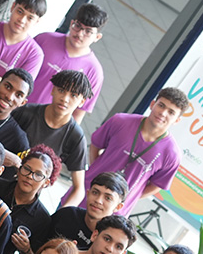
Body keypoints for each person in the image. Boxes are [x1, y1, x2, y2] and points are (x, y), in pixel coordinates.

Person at [79, 86, 189, 215]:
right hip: (84, 194)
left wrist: (129, 196)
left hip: (115, 214)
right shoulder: (120, 121)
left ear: (177, 120)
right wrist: (96, 173)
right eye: (161, 105)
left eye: (171, 112)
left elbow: (156, 186)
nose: (163, 113)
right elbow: (96, 145)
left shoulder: (172, 153)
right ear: (152, 104)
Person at [13, 68, 90, 204]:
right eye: (61, 90)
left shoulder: (76, 137)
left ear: (81, 102)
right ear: (53, 90)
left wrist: (62, 213)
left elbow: (79, 189)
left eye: (73, 95)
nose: (65, 99)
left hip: (28, 198)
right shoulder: (26, 113)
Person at [31, 2, 108, 121]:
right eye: (78, 26)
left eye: (88, 31)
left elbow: (78, 114)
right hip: (14, 109)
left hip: (45, 125)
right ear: (72, 23)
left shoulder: (94, 71)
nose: (80, 33)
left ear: (97, 37)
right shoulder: (44, 40)